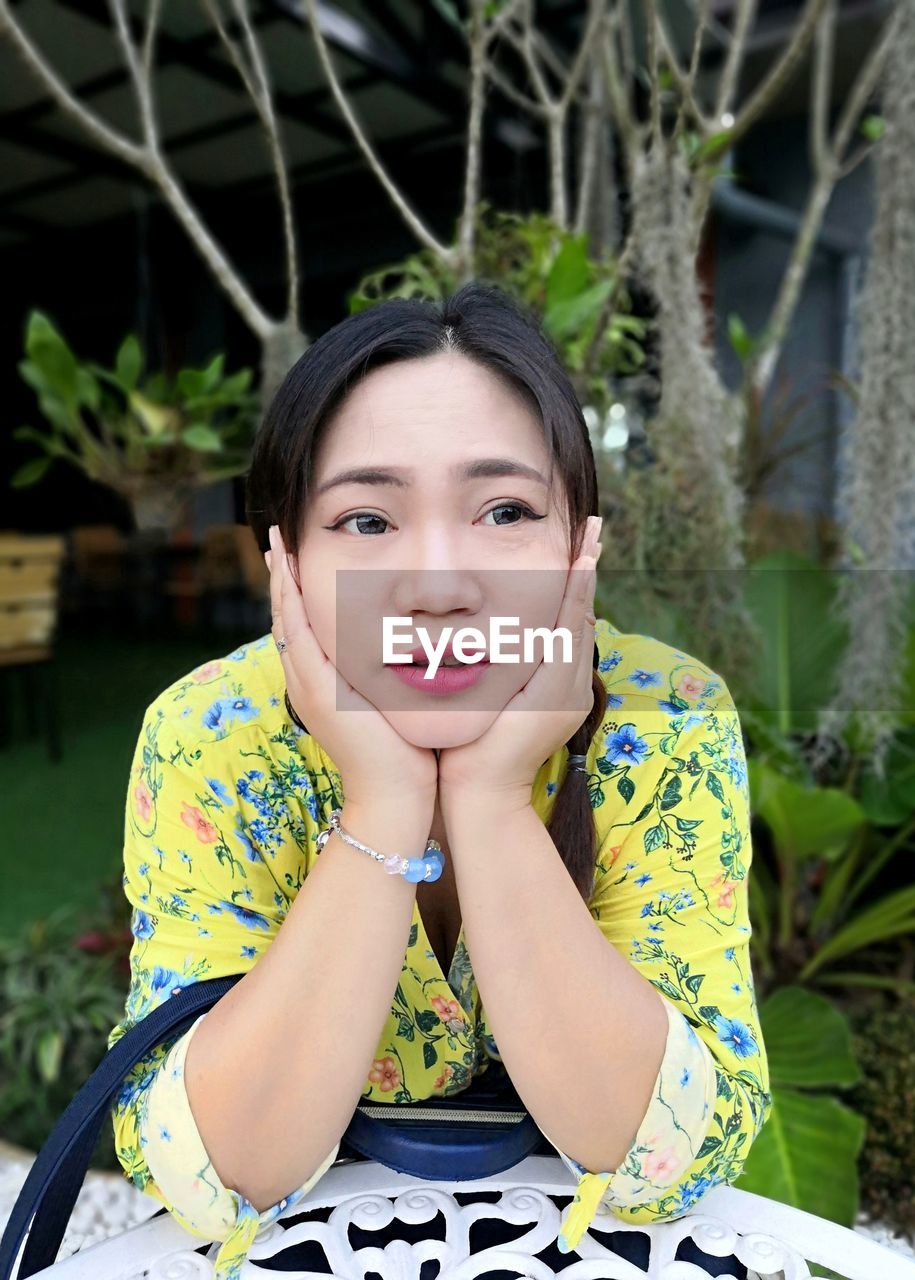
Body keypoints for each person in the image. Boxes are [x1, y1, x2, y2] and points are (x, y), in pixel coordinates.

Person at [106, 282, 771, 1279]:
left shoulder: (668, 719)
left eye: (505, 509)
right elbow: (213, 1170)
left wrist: (493, 800)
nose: (436, 587)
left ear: (581, 547)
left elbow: (673, 1152)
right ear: (283, 557)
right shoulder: (213, 735)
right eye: (367, 520)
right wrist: (381, 804)